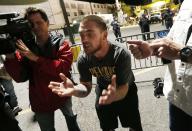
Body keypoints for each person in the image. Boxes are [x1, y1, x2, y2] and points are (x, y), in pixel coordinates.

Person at [49, 15, 143, 131]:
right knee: (106, 127)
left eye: (90, 34)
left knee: (134, 126)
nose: (84, 39)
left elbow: (124, 87)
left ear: (104, 35)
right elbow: (86, 86)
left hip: (126, 91)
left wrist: (114, 96)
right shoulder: (83, 59)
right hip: (103, 91)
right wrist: (75, 90)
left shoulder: (120, 54)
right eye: (82, 34)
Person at [4, 7, 80, 131]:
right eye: (31, 24)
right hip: (40, 101)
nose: (35, 27)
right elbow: (20, 77)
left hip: (63, 94)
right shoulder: (25, 48)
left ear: (47, 23)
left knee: (72, 123)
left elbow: (62, 68)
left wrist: (35, 58)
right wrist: (10, 56)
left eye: (39, 22)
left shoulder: (61, 44)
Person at [128, 0, 192, 130]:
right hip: (177, 98)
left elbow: (178, 49)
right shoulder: (187, 3)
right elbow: (172, 39)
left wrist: (183, 53)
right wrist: (152, 48)